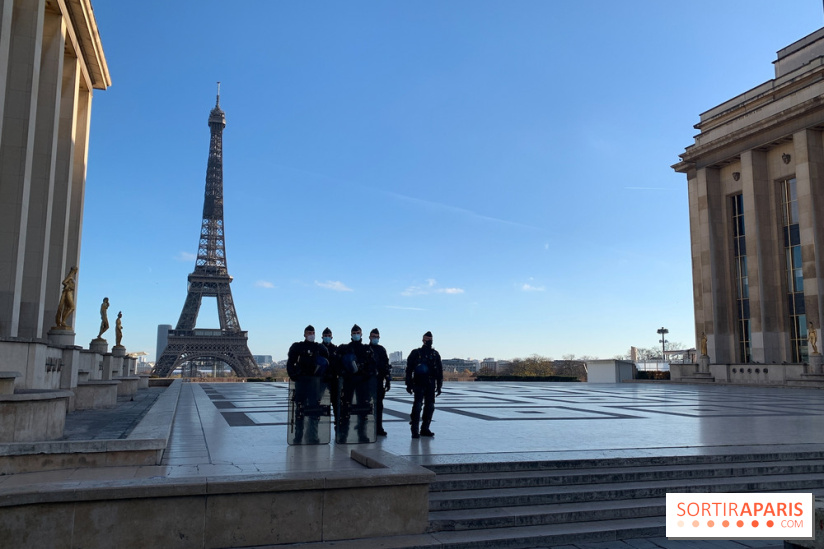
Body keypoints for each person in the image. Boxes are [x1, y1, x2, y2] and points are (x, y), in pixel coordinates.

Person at [286, 325, 330, 444]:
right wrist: (293, 375)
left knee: (314, 409)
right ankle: (298, 435)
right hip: (302, 381)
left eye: (313, 332)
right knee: (300, 409)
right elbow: (290, 362)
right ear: (304, 334)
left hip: (314, 382)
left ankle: (312, 436)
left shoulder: (320, 348)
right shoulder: (298, 347)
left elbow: (327, 364)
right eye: (309, 332)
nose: (311, 334)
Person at [337, 324, 377, 443]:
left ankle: (362, 433)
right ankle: (343, 434)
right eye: (354, 333)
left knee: (363, 409)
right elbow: (337, 364)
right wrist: (345, 372)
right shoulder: (345, 348)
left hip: (362, 381)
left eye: (358, 333)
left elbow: (372, 365)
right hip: (349, 381)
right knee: (345, 408)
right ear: (351, 334)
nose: (356, 335)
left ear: (361, 334)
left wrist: (366, 373)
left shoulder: (366, 349)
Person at [405, 331, 443, 439]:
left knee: (430, 407)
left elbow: (439, 371)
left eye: (430, 339)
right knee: (417, 406)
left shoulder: (435, 354)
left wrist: (439, 385)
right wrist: (408, 384)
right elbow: (409, 369)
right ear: (423, 340)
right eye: (427, 339)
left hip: (430, 383)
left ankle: (425, 428)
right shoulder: (416, 353)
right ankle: (415, 429)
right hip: (419, 383)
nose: (429, 341)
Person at [368, 328, 391, 436]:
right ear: (369, 337)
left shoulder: (382, 350)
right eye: (373, 336)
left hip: (378, 381)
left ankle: (378, 427)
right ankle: (366, 427)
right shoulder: (366, 349)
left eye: (377, 337)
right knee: (366, 405)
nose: (375, 338)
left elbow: (386, 365)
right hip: (367, 382)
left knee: (378, 405)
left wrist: (387, 379)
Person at [320, 327, 341, 430]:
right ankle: (317, 423)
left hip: (333, 379)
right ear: (322, 337)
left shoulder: (335, 349)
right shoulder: (318, 348)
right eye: (325, 336)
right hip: (321, 380)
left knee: (336, 402)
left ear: (331, 337)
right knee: (318, 402)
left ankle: (338, 423)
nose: (327, 337)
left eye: (329, 336)